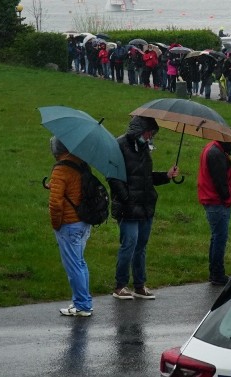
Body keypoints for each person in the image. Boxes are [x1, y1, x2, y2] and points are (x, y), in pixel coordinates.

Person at [109, 116, 179, 300]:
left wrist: (166, 175)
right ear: (140, 130)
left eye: (152, 134)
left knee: (141, 246)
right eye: (148, 133)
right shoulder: (120, 145)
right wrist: (127, 198)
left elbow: (146, 176)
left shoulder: (144, 148)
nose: (149, 137)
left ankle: (139, 285)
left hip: (146, 206)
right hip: (128, 208)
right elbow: (113, 177)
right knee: (129, 244)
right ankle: (120, 285)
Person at [47, 137, 93, 317]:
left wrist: (56, 223)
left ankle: (82, 305)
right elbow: (74, 191)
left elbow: (56, 204)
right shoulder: (82, 164)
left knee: (73, 266)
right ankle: (84, 301)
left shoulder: (61, 169)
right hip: (83, 221)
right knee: (80, 263)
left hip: (69, 224)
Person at [197, 132, 231, 286]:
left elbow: (219, 175)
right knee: (220, 238)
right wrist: (227, 195)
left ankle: (214, 272)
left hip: (212, 200)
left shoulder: (214, 148)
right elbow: (219, 182)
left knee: (216, 237)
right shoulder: (216, 154)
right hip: (216, 202)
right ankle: (217, 274)